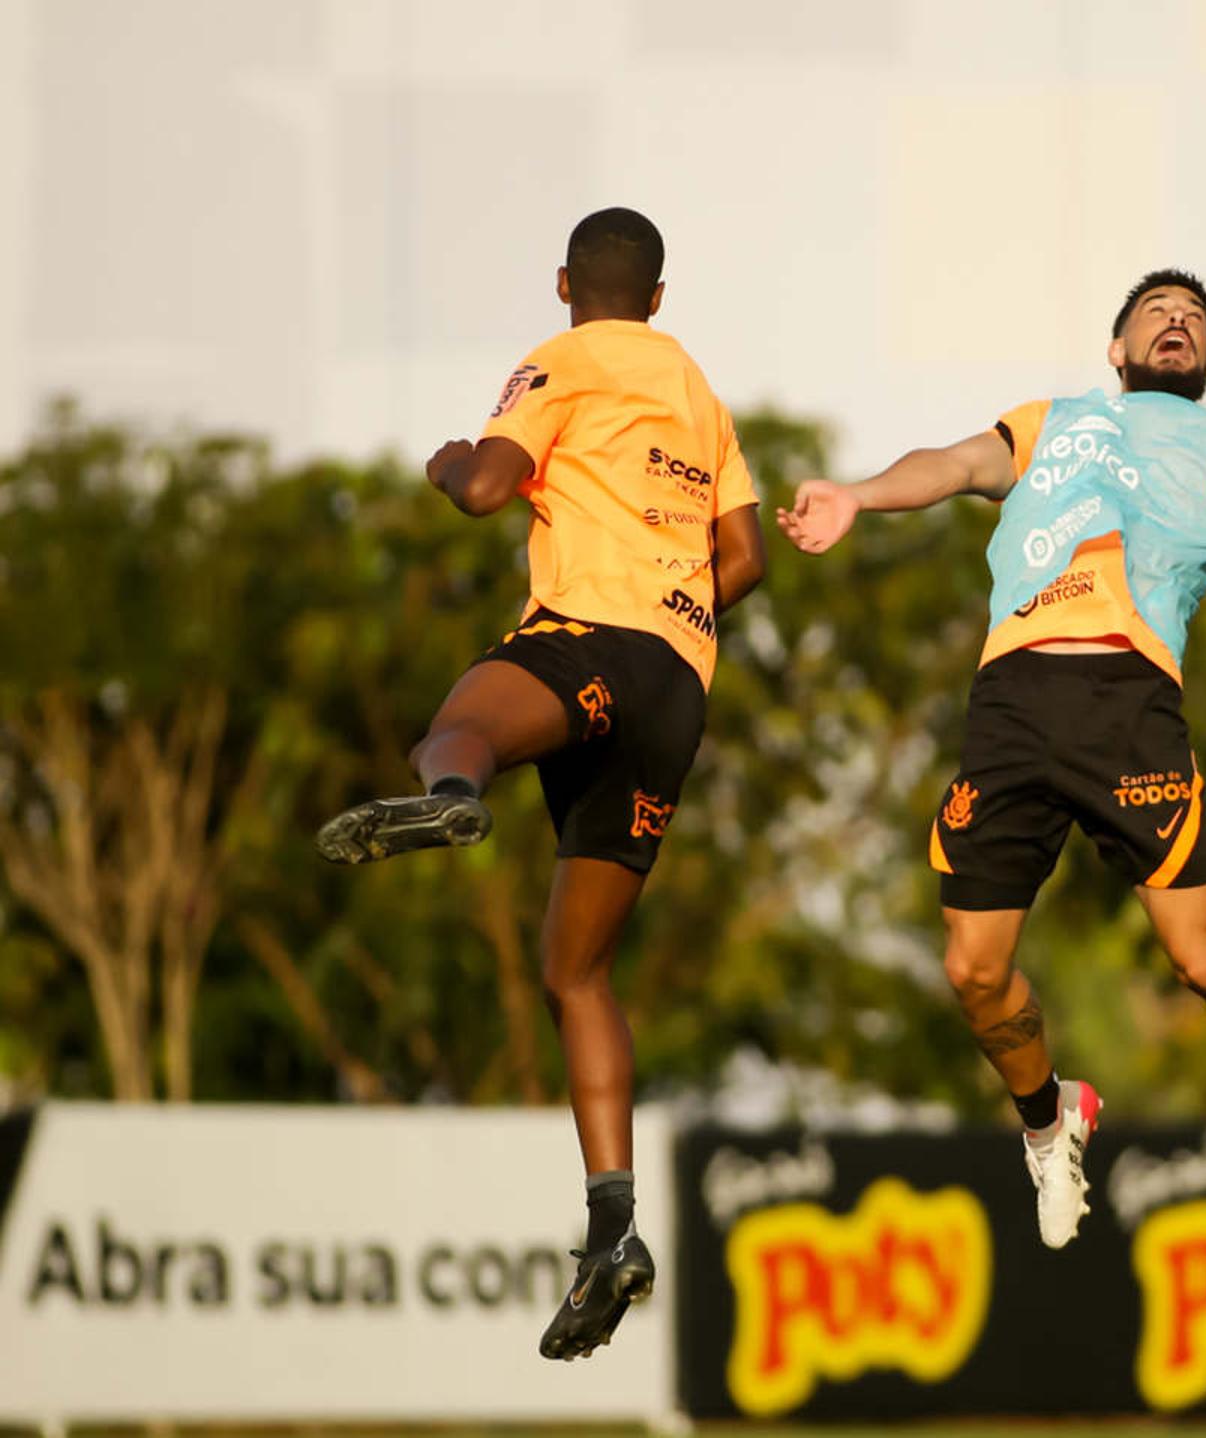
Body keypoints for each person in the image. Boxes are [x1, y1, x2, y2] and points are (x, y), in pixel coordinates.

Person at [777, 270, 1206, 1247]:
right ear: (1117, 348)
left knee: (1200, 959)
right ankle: (1050, 1123)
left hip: (1127, 703)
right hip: (1010, 702)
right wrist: (857, 496)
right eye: (1155, 314)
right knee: (973, 972)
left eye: (1193, 321)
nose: (1174, 325)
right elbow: (956, 463)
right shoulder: (1054, 420)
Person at [315, 207, 765, 1356]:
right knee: (577, 969)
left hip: (588, 641)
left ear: (566, 282)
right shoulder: (697, 389)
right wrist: (677, 615)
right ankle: (612, 1228)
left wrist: (451, 463)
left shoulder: (559, 362)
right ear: (659, 296)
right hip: (677, 688)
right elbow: (745, 556)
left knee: (460, 718)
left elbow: (484, 490)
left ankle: (458, 794)